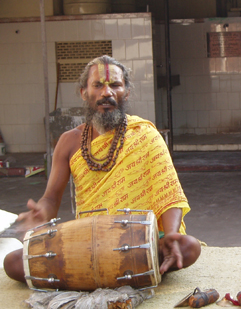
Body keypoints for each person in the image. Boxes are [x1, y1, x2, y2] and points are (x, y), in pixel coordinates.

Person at [4, 55, 201, 283]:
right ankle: (125, 274)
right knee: (14, 263)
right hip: (88, 241)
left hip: (138, 241)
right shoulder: (69, 141)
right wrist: (42, 212)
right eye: (97, 85)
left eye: (115, 85)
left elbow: (169, 194)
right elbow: (51, 198)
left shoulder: (146, 134)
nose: (106, 92)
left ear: (126, 92)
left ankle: (88, 278)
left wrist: (171, 235)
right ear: (84, 93)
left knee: (189, 247)